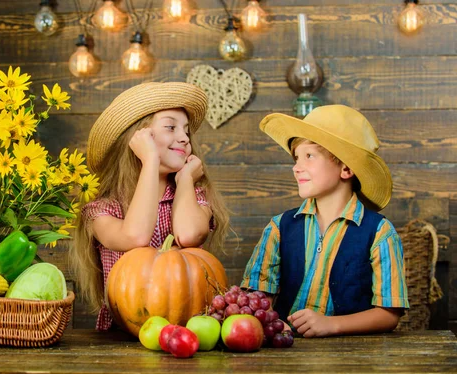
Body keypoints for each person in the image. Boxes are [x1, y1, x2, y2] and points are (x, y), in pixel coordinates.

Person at [71, 82, 230, 331]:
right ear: (137, 138)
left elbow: (189, 235)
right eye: (170, 127)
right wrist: (150, 162)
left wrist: (186, 179)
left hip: (185, 330)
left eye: (186, 131)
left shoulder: (193, 196)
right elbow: (135, 236)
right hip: (123, 334)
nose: (184, 137)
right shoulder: (102, 209)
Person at [241, 105, 409, 338]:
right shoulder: (278, 228)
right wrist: (272, 323)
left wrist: (332, 324)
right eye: (296, 157)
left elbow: (389, 314)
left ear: (346, 168)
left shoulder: (380, 233)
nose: (296, 167)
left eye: (309, 156)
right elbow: (258, 301)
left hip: (354, 356)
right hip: (285, 355)